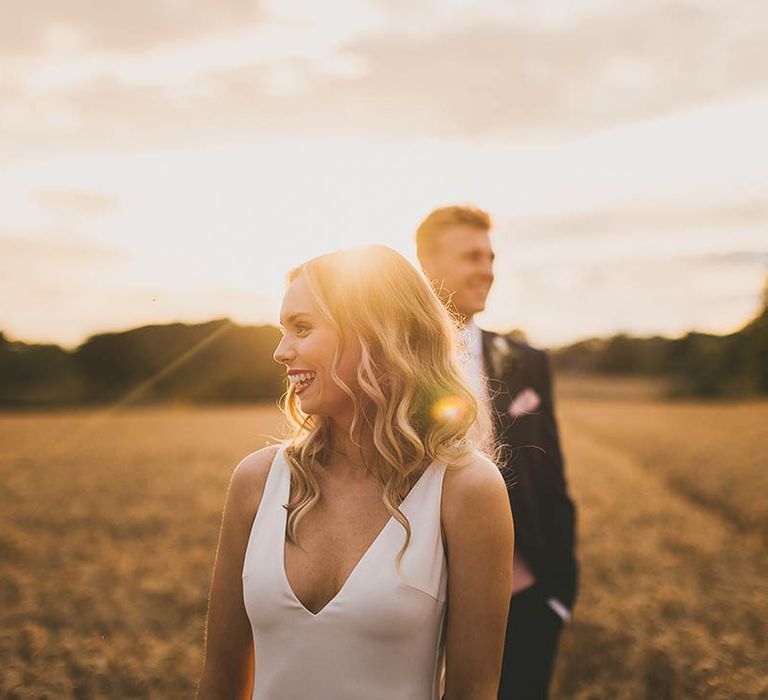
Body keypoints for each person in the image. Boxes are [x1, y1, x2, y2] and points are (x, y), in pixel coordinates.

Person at [196, 245, 514, 700]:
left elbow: (473, 692)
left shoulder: (465, 490)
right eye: (283, 330)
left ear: (376, 333)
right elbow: (221, 680)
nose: (280, 352)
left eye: (302, 328)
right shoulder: (256, 481)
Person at [415, 206, 578, 700]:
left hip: (524, 596)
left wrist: (558, 599)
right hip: (418, 598)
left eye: (490, 256)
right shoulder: (388, 360)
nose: (487, 269)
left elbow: (550, 477)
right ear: (426, 265)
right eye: (471, 256)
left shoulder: (527, 362)